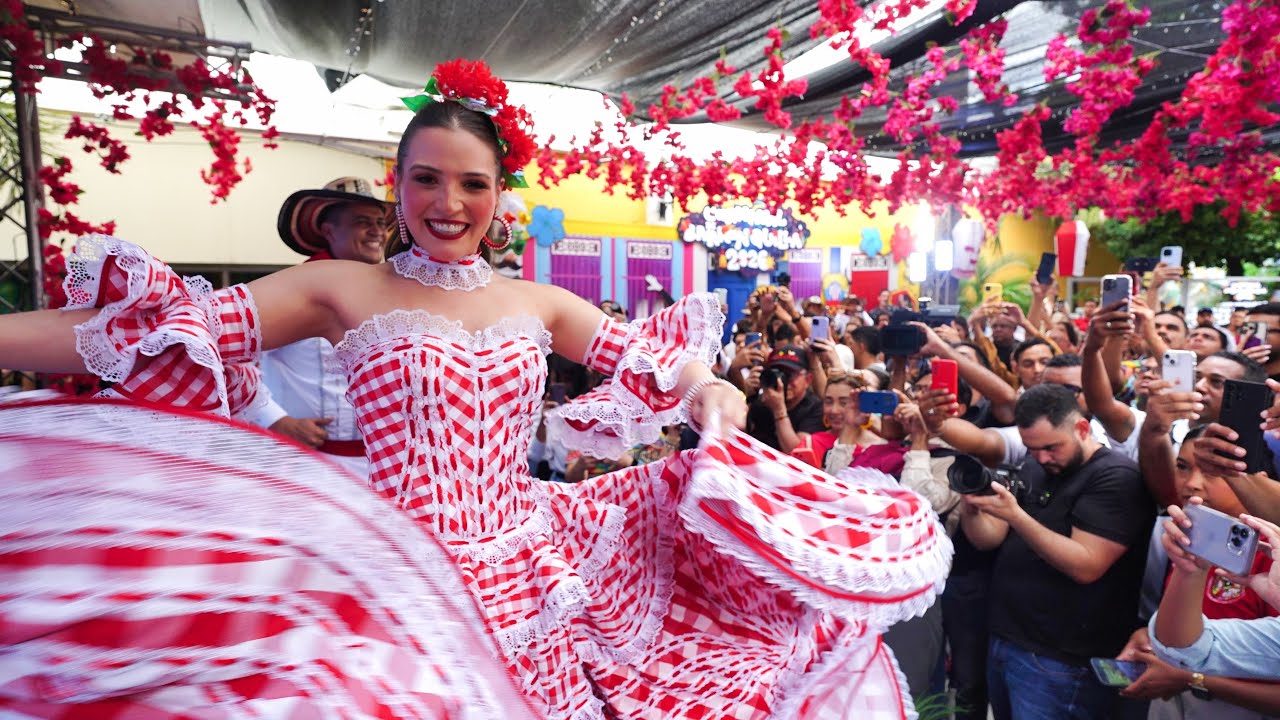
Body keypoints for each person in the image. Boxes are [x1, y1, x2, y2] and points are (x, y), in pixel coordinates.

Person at [0, 59, 950, 719]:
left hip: (523, 569)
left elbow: (663, 366)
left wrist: (708, 391)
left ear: (501, 193)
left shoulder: (538, 301)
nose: (447, 204)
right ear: (397, 183)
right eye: (426, 181)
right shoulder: (340, 288)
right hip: (385, 567)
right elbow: (139, 335)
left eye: (471, 184)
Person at [961, 385, 1154, 720]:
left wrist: (1016, 516)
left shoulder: (1116, 477)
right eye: (1033, 449)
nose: (1043, 457)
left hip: (1062, 658)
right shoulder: (1036, 464)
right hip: (1008, 638)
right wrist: (972, 508)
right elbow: (989, 540)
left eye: (1051, 447)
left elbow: (1086, 565)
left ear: (1081, 428)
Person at [1119, 428, 1280, 718]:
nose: (1192, 484)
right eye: (1182, 467)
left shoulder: (1272, 557)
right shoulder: (1190, 535)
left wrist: (1193, 679)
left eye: (1214, 472)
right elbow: (1189, 643)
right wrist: (1151, 635)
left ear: (1259, 483)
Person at [237, 176, 392, 476]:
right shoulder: (290, 292)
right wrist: (275, 419)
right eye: (362, 222)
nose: (376, 231)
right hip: (303, 467)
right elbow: (229, 359)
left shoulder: (392, 295)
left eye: (380, 223)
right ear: (328, 230)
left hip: (379, 469)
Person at [746, 344, 826, 451]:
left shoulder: (816, 409)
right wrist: (750, 396)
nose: (782, 381)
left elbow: (797, 452)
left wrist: (779, 410)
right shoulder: (763, 402)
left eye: (789, 375)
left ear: (808, 379)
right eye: (778, 374)